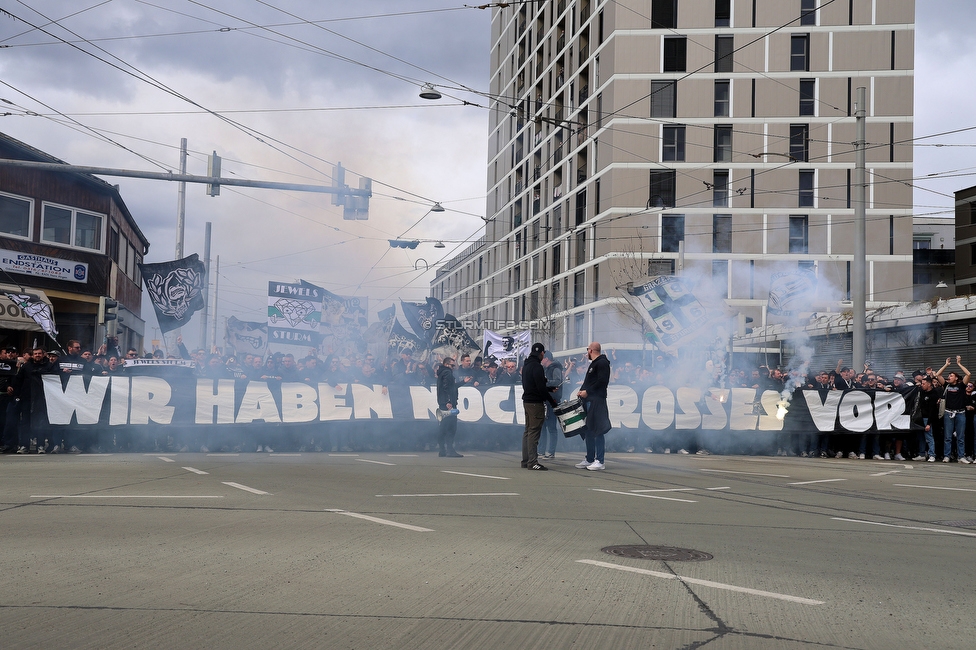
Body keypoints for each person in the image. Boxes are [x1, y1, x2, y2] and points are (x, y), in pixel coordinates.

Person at [521, 342, 557, 470]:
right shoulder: (537, 366)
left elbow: (534, 382)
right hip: (535, 402)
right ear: (542, 353)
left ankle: (526, 460)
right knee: (534, 432)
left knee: (528, 431)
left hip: (527, 401)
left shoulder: (526, 365)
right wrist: (552, 401)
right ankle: (532, 462)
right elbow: (541, 387)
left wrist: (549, 388)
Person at [576, 341, 611, 471]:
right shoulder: (594, 364)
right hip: (590, 400)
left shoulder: (601, 363)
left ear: (590, 350)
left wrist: (588, 391)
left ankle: (600, 460)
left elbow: (602, 381)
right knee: (589, 430)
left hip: (597, 400)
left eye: (587, 350)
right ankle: (590, 458)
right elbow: (589, 382)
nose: (587, 353)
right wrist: (581, 391)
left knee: (598, 430)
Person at [936, 356, 971, 463]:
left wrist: (959, 364)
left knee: (960, 437)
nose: (949, 377)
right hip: (948, 413)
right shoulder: (946, 385)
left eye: (951, 376)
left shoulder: (961, 386)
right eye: (949, 375)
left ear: (956, 378)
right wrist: (946, 364)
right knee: (948, 437)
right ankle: (947, 456)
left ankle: (961, 457)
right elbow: (938, 375)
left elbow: (968, 374)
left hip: (960, 413)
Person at [435, 356, 462, 457]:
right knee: (451, 428)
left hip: (443, 403)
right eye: (452, 365)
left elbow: (451, 386)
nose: (453, 367)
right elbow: (446, 387)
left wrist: (463, 382)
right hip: (448, 404)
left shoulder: (442, 372)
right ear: (446, 364)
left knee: (443, 427)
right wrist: (449, 401)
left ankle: (442, 449)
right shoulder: (447, 372)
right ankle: (450, 450)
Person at [539, 351, 564, 459]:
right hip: (546, 401)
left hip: (552, 401)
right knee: (543, 426)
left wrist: (545, 383)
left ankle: (551, 452)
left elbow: (557, 382)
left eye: (542, 358)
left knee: (551, 427)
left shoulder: (555, 368)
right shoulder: (547, 369)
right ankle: (541, 451)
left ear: (547, 358)